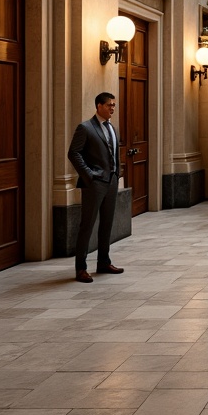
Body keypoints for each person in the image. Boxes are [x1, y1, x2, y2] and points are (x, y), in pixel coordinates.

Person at [68, 92, 125, 282]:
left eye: (114, 105)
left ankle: (103, 262)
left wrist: (117, 173)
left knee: (107, 224)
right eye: (109, 105)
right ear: (99, 106)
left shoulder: (113, 128)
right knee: (87, 225)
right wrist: (89, 175)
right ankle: (81, 268)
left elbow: (115, 153)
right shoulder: (85, 128)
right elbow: (74, 153)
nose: (112, 108)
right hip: (94, 184)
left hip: (111, 182)